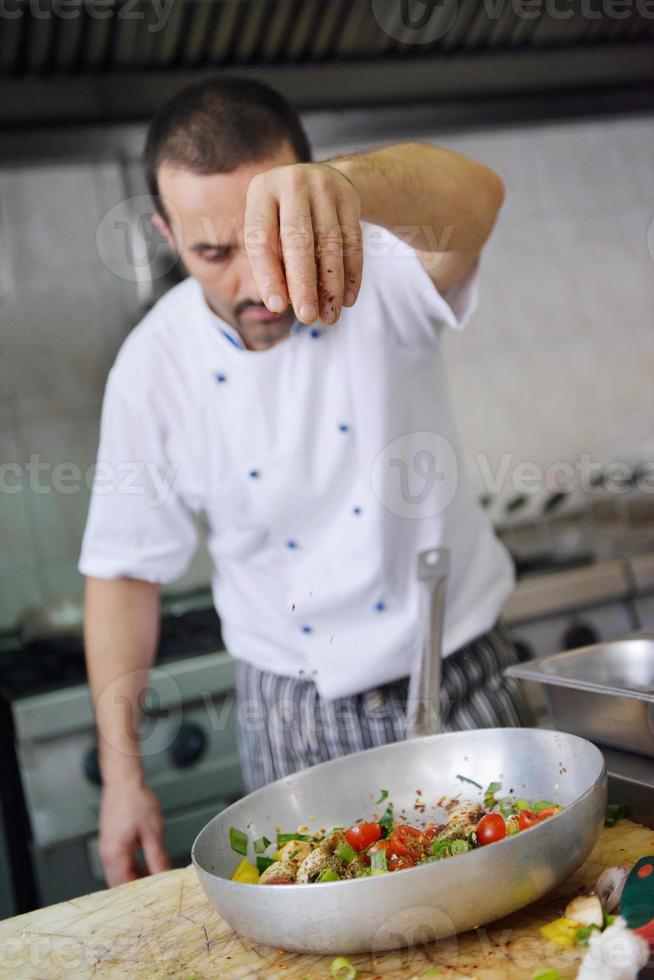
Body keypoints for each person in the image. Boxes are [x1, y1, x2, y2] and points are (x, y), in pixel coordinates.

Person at [79, 77, 530, 887]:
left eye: (268, 237)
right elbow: (123, 574)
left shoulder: (387, 271)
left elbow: (481, 197)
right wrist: (122, 780)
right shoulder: (152, 368)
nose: (258, 285)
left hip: (461, 675)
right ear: (164, 232)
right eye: (213, 253)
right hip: (292, 716)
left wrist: (350, 189)